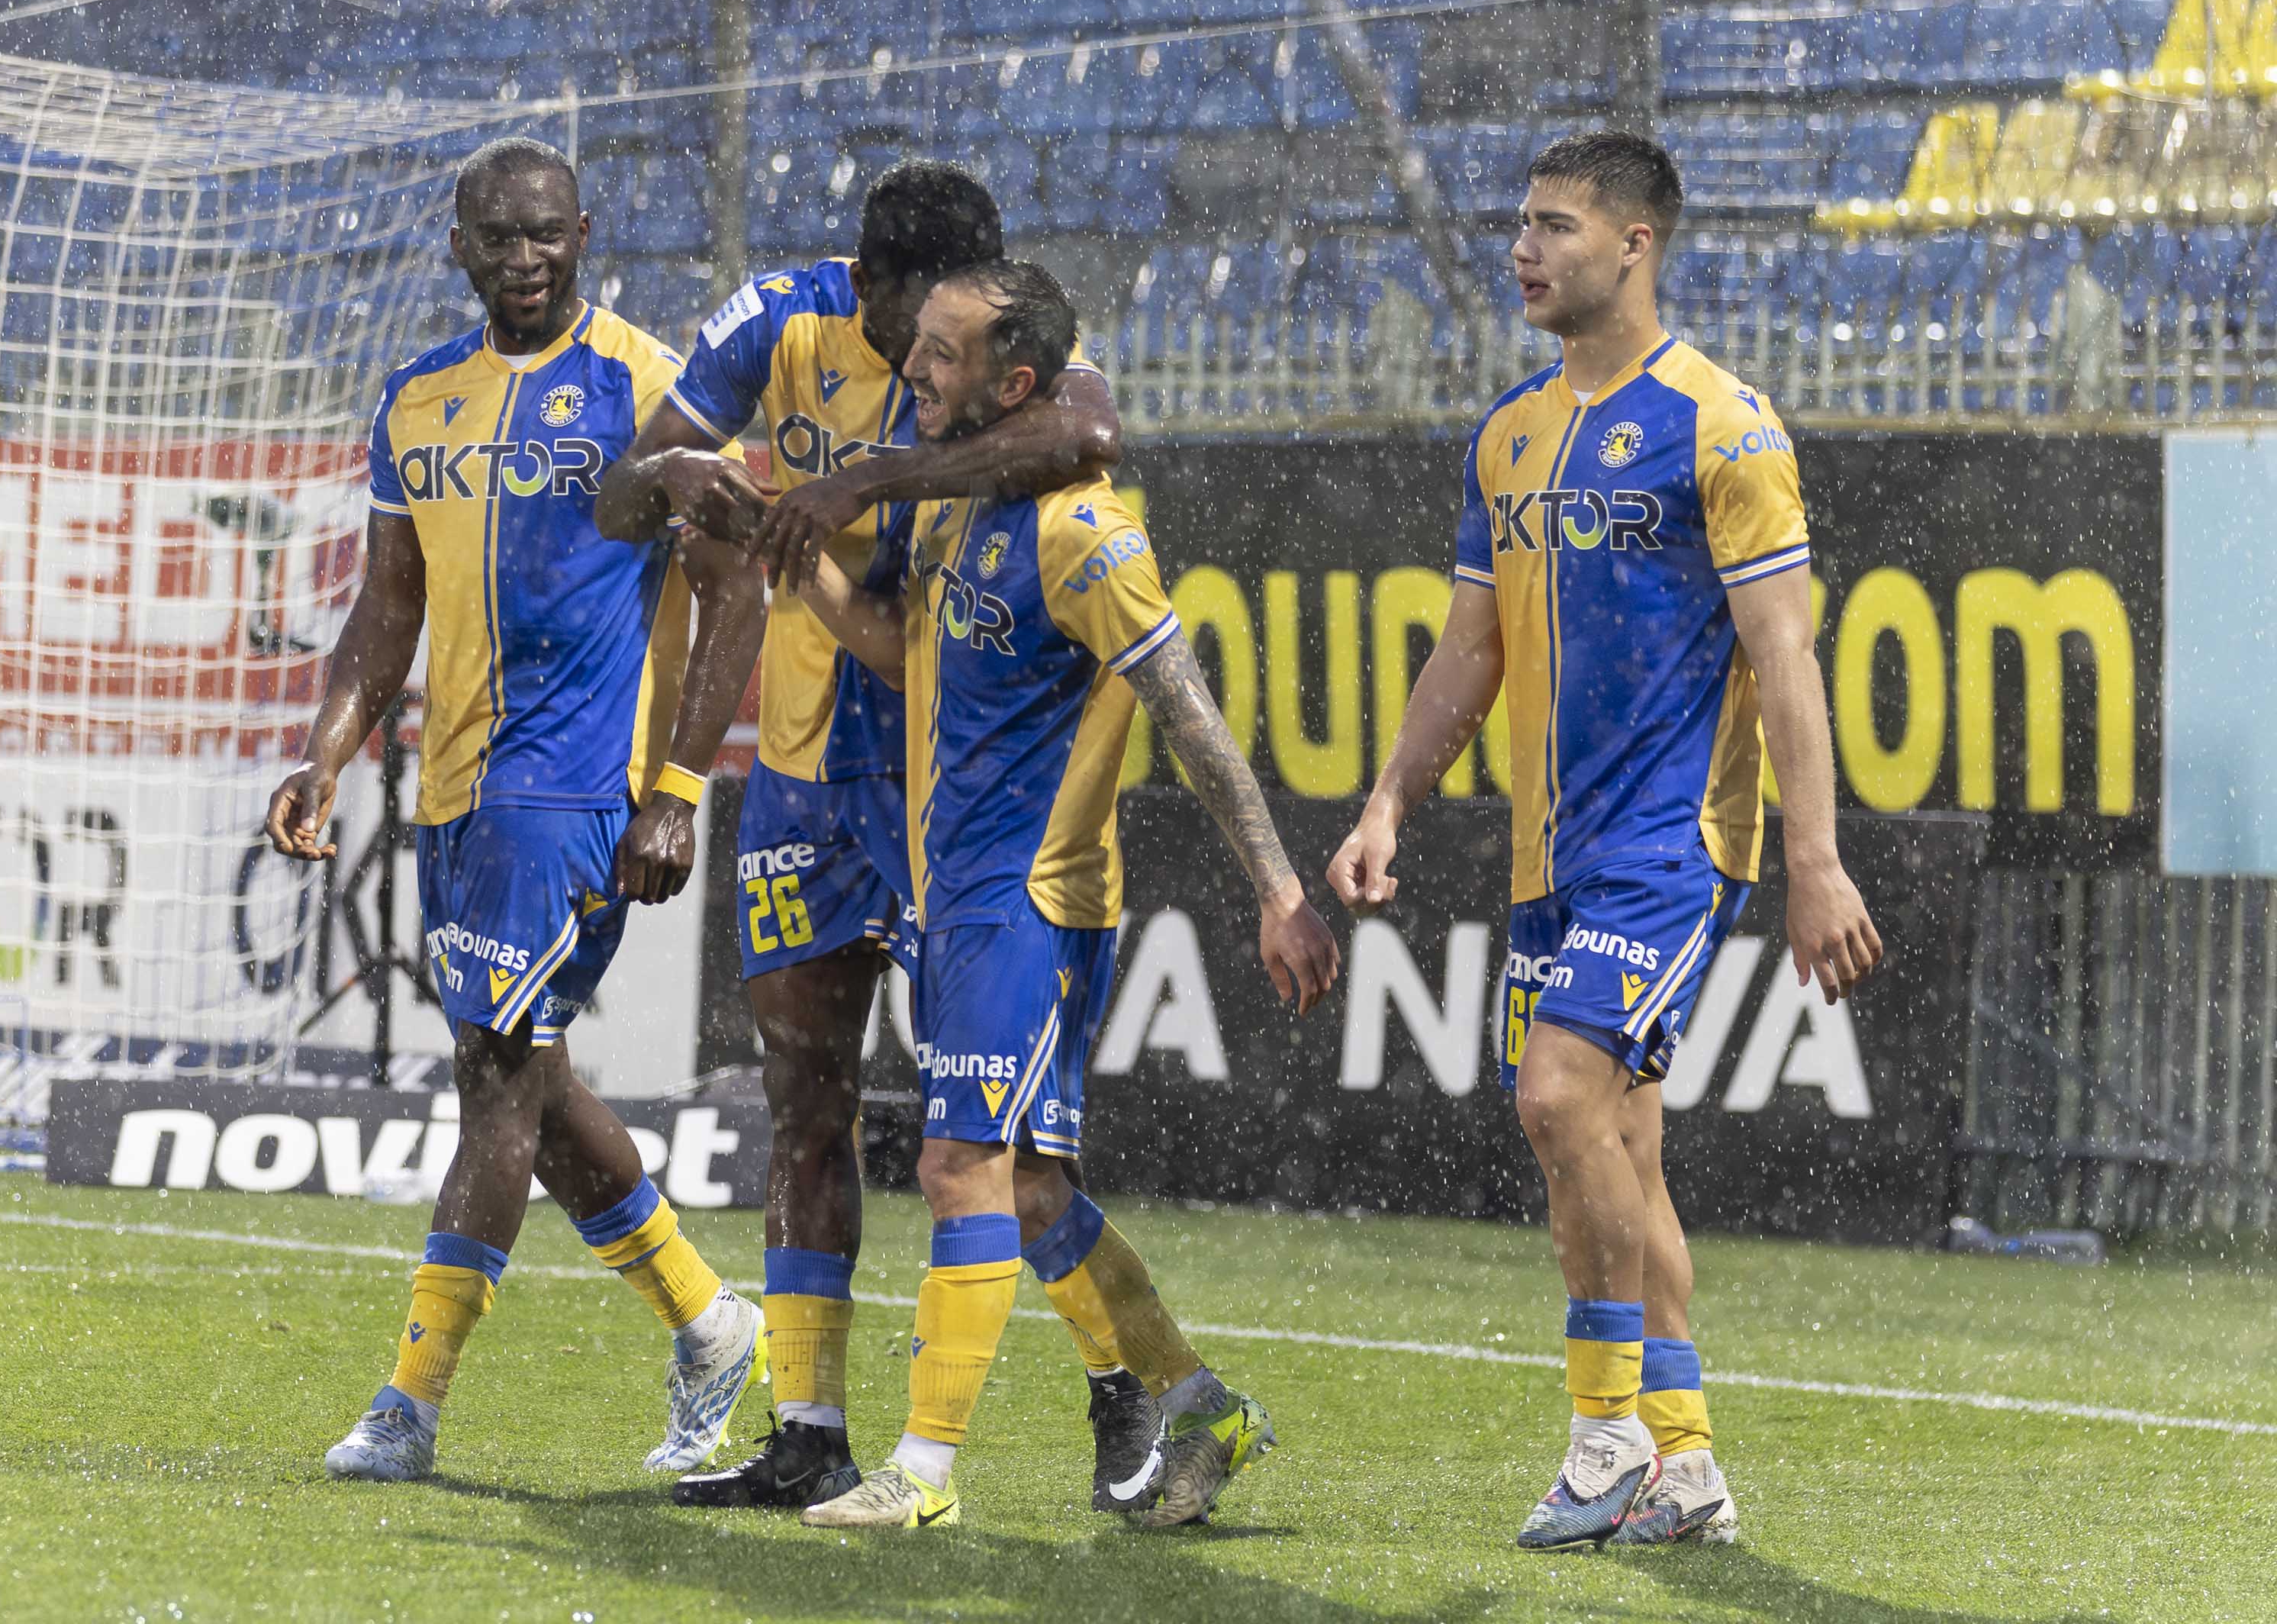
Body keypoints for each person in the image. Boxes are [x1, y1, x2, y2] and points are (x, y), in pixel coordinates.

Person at [1326, 130, 1884, 1551]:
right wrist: (1390, 799)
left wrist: (1815, 859)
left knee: (1558, 1099)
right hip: (1549, 856)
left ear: (1637, 244)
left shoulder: (1723, 426)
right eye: (1521, 222)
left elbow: (1785, 654)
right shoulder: (1506, 433)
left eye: (1555, 226)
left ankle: (1605, 1436)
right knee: (1620, 1147)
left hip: (1673, 842)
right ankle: (1686, 1469)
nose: (1524, 248)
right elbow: (1470, 649)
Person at [595, 163, 1139, 1510]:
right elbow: (619, 501)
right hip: (801, 777)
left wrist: (871, 478)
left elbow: (1089, 436)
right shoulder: (780, 323)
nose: (939, 346)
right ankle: (808, 1431)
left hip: (945, 786)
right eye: (920, 321)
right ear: (865, 284)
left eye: (962, 326)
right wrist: (679, 475)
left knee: (1013, 1146)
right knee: (803, 1095)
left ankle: (1125, 1385)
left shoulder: (991, 347)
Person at [781, 258, 1340, 1531]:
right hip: (957, 896)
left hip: (1034, 899)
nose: (913, 370)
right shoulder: (953, 499)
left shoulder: (1086, 534)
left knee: (957, 1166)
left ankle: (922, 1473)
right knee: (1031, 1192)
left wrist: (1276, 887)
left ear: (1015, 381)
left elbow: (1188, 716)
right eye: (916, 346)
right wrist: (801, 563)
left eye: (942, 353)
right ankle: (1200, 1402)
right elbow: (900, 649)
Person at [266, 136, 770, 1487]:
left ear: (585, 235)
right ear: (460, 248)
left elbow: (738, 589)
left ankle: (409, 1404)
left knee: (494, 1079)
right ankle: (709, 1321)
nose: (526, 257)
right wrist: (325, 755)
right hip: (456, 791)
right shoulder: (417, 399)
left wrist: (677, 791)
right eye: (499, 237)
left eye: (547, 233)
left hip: (575, 788)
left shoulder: (652, 389)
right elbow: (388, 607)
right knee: (527, 1078)